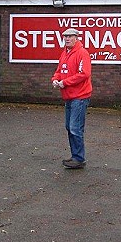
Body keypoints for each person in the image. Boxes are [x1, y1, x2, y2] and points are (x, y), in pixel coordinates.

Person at [51, 28, 92, 169]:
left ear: (76, 38)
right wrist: (55, 79)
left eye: (70, 36)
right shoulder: (65, 53)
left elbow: (84, 74)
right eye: (65, 36)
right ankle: (75, 156)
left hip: (80, 97)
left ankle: (79, 158)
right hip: (69, 96)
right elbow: (59, 71)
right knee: (69, 127)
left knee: (75, 128)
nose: (67, 39)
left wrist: (65, 82)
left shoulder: (82, 53)